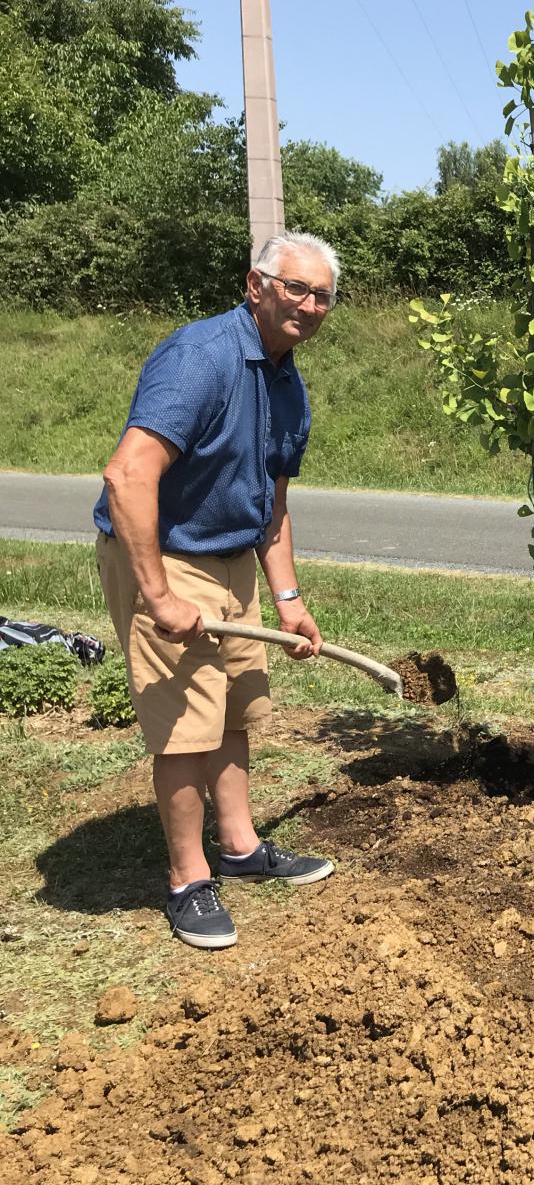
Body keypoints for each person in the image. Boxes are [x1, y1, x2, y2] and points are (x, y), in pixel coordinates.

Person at [93, 232, 341, 950]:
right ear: (255, 285)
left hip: (231, 555)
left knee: (236, 706)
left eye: (321, 295)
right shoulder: (200, 358)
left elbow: (274, 506)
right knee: (184, 721)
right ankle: (187, 878)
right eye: (295, 287)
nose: (308, 304)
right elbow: (128, 476)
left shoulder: (287, 383)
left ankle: (239, 847)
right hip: (164, 555)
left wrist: (288, 598)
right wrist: (160, 595)